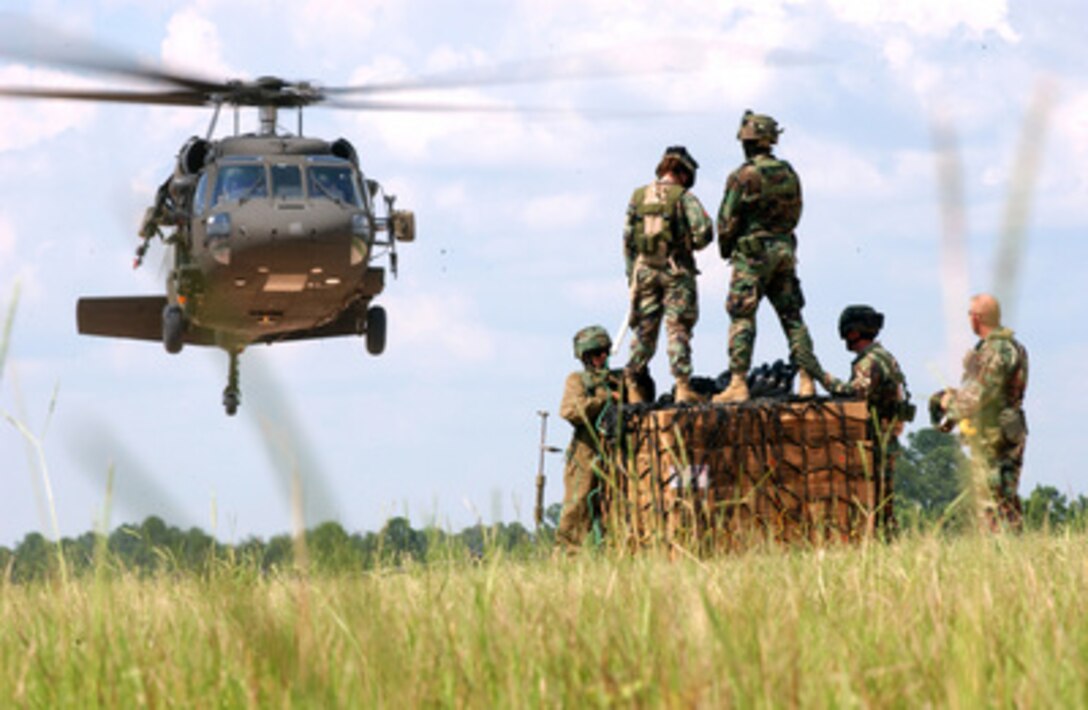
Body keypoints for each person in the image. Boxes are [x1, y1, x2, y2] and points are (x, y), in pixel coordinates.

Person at [713, 110, 825, 404]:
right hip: (785, 251)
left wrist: (728, 248)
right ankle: (806, 378)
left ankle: (738, 382)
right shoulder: (789, 173)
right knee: (792, 315)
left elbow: (726, 221)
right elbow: (796, 213)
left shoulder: (743, 176)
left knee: (742, 314)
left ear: (747, 142)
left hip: (753, 254)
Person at [622, 146, 713, 405]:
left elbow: (628, 241)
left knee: (644, 331)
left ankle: (633, 384)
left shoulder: (638, 196)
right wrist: (688, 244)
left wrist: (633, 276)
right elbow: (704, 233)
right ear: (684, 174)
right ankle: (683, 387)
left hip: (645, 272)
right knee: (678, 328)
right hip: (676, 271)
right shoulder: (684, 197)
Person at [934, 293, 1029, 529]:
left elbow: (980, 395)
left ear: (977, 318)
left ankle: (1001, 556)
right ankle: (1014, 555)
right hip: (1009, 428)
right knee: (1006, 499)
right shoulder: (1012, 346)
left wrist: (949, 407)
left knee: (993, 502)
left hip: (994, 434)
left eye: (969, 314)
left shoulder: (995, 350)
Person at [823, 305, 913, 531]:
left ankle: (882, 541)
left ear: (853, 332)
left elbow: (855, 394)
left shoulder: (869, 362)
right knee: (884, 500)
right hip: (887, 436)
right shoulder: (885, 357)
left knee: (875, 501)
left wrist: (824, 379)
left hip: (876, 439)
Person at [557, 325, 626, 549]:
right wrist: (604, 399)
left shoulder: (619, 380)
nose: (603, 357)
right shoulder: (578, 381)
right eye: (597, 353)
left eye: (605, 352)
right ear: (586, 357)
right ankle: (566, 563)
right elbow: (570, 410)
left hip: (616, 456)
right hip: (585, 458)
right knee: (577, 511)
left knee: (616, 511)